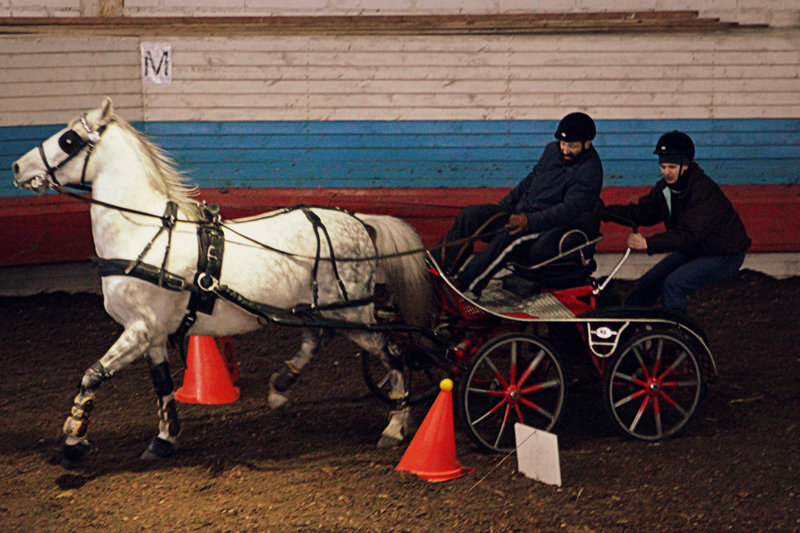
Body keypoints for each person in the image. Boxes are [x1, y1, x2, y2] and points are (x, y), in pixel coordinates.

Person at [439, 111, 603, 298]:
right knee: (471, 215)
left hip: (548, 227)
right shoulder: (552, 151)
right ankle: (441, 269)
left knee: (511, 236)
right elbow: (530, 181)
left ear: (587, 143)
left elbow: (569, 211)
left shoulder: (589, 171)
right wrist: (503, 207)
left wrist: (530, 221)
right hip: (523, 212)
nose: (565, 150)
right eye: (563, 143)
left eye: (572, 146)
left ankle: (465, 286)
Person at [602, 130, 751, 314]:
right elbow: (642, 212)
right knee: (649, 281)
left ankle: (676, 336)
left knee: (675, 284)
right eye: (663, 167)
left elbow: (687, 234)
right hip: (695, 249)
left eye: (671, 167)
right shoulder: (666, 188)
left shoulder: (703, 192)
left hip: (724, 253)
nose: (666, 172)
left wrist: (648, 243)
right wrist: (604, 212)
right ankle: (627, 325)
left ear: (685, 165)